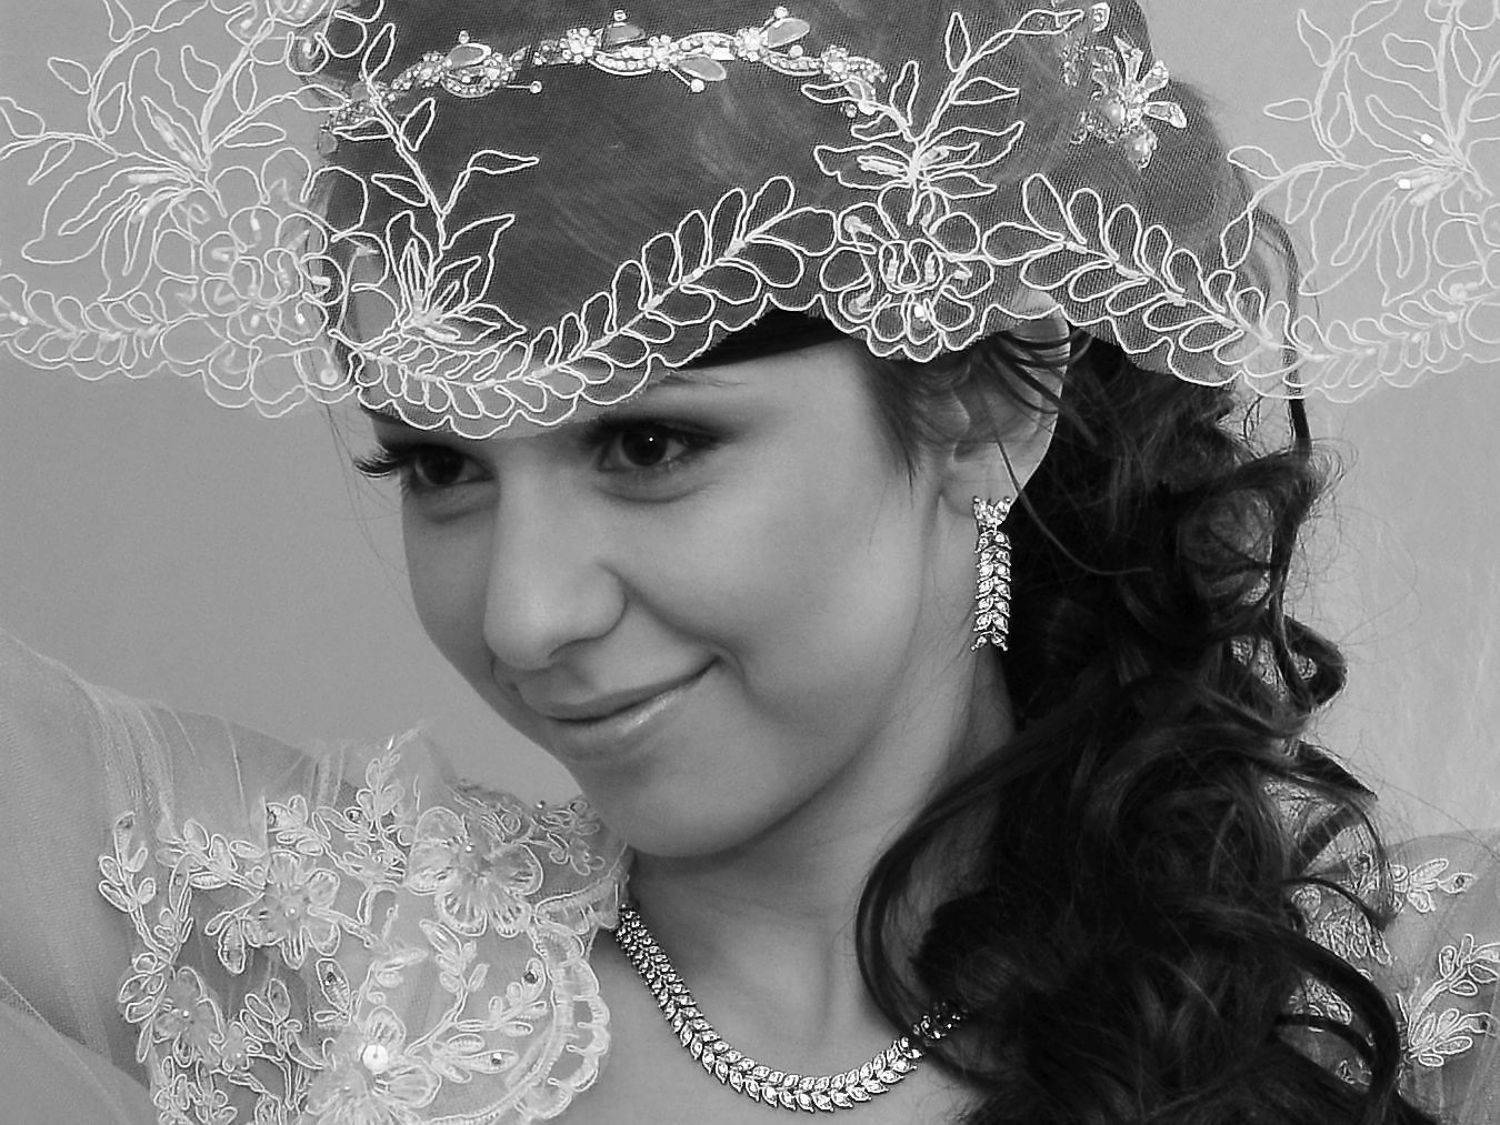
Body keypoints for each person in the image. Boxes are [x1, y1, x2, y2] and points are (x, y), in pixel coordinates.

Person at [0, 0, 1496, 1122]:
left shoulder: (1414, 997)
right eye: (440, 466)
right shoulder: (327, 958)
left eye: (648, 443)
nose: (523, 614)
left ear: (987, 399)